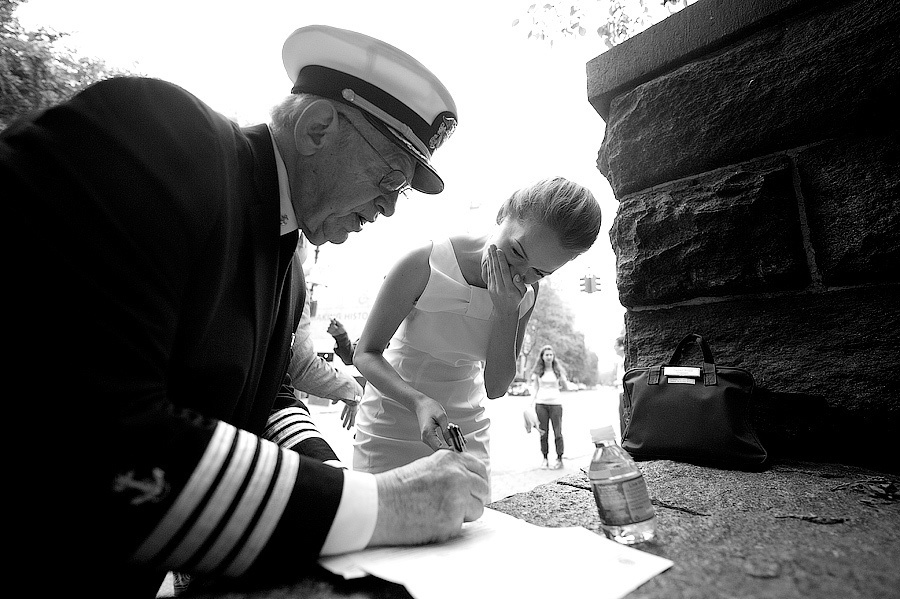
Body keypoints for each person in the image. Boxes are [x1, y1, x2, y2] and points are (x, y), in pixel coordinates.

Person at [4, 24, 488, 598]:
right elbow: (93, 434)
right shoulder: (158, 135)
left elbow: (259, 395)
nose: (386, 208)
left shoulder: (287, 258)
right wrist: (383, 505)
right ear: (318, 128)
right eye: (387, 179)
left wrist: (322, 473)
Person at [352, 177, 602, 494]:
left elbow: (496, 386)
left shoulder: (525, 294)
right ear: (503, 214)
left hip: (465, 429)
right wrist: (418, 403)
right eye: (516, 251)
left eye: (539, 272)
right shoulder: (423, 263)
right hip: (393, 421)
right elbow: (365, 353)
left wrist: (505, 311)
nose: (517, 274)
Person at [529, 344, 570, 469]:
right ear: (542, 356)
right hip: (541, 403)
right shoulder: (538, 372)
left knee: (558, 433)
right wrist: (531, 402)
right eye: (546, 355)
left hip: (556, 404)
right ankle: (545, 458)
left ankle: (559, 458)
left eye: (551, 355)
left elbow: (566, 386)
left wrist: (563, 382)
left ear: (553, 357)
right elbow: (535, 387)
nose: (549, 357)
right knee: (543, 433)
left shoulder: (557, 371)